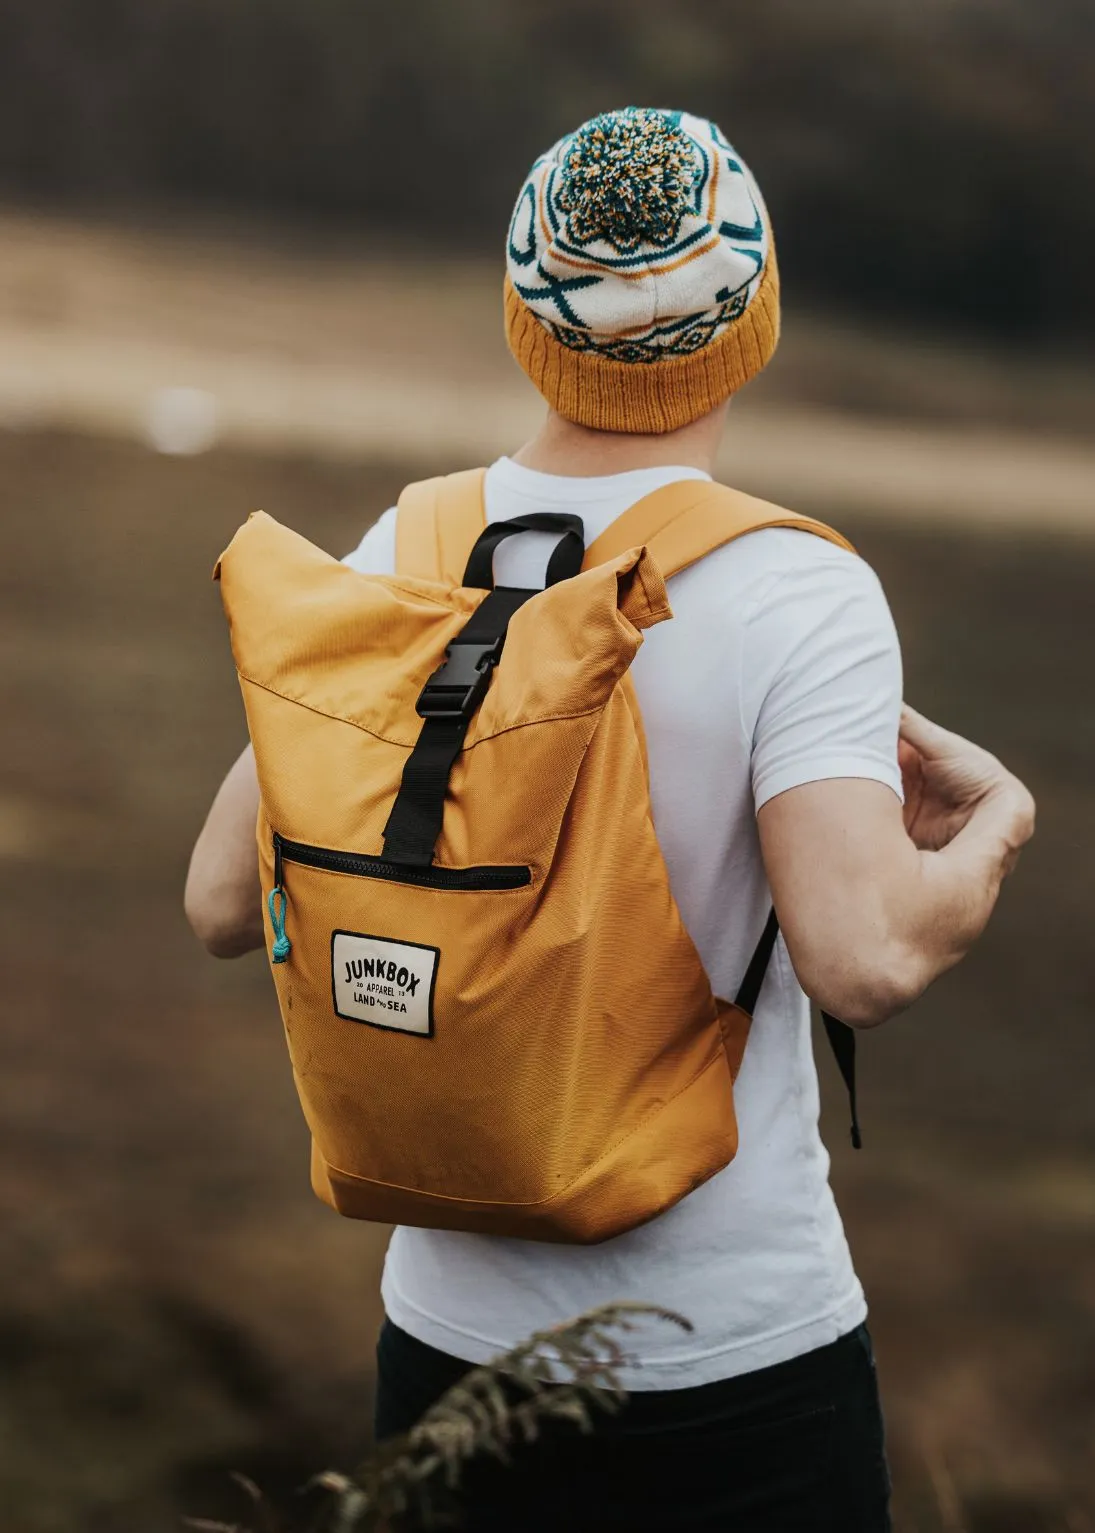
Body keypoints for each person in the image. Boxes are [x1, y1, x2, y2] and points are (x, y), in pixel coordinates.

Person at [185, 108, 1035, 1532]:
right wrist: (998, 824)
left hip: (445, 1355)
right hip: (735, 1362)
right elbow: (865, 962)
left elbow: (219, 901)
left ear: (524, 317)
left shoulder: (407, 548)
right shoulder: (794, 590)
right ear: (751, 320)